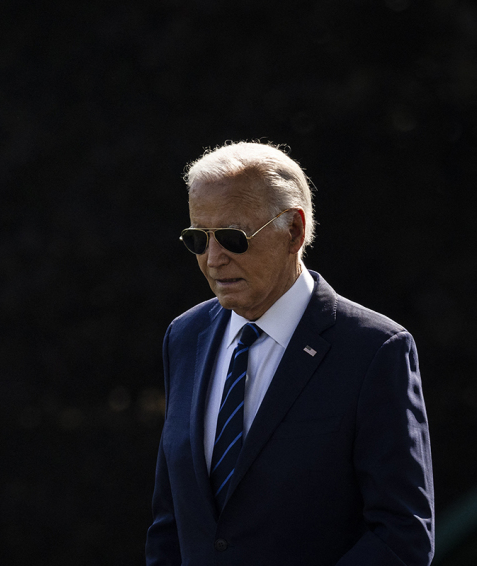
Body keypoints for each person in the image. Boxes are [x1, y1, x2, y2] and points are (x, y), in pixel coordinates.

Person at [145, 142, 434, 566]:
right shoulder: (185, 336)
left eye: (231, 237)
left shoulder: (374, 350)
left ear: (294, 232)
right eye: (197, 239)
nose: (212, 259)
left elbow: (402, 535)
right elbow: (171, 524)